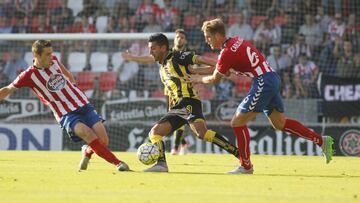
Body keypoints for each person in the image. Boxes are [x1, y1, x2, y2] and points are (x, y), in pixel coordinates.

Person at [188, 18, 334, 174]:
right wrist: (196, 71)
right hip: (272, 77)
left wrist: (197, 79)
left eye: (208, 37)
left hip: (263, 81)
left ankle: (246, 165)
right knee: (279, 123)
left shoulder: (227, 53)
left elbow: (216, 78)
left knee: (237, 122)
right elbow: (223, 70)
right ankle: (321, 141)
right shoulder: (236, 41)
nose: (207, 41)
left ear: (217, 35)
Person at [0, 40, 130, 172]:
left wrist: (73, 87)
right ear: (36, 56)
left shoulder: (54, 60)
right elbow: (7, 89)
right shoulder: (28, 75)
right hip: (66, 113)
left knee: (103, 141)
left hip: (82, 104)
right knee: (86, 133)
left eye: (52, 53)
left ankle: (87, 151)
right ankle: (119, 163)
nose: (51, 56)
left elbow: (67, 73)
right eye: (47, 54)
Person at [142, 33, 240, 172]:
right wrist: (171, 107)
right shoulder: (161, 68)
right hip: (180, 105)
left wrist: (221, 66)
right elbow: (170, 90)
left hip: (188, 100)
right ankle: (239, 154)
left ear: (163, 48)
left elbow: (199, 59)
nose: (150, 52)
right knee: (201, 133)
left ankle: (161, 164)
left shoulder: (176, 56)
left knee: (156, 132)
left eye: (153, 48)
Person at [122, 29, 192, 155]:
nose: (179, 39)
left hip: (184, 88)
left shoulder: (187, 53)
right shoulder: (167, 52)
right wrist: (132, 57)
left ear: (185, 40)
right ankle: (183, 143)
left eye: (182, 37)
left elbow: (193, 68)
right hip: (169, 87)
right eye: (177, 37)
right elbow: (150, 58)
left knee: (178, 114)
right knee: (171, 113)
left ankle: (176, 147)